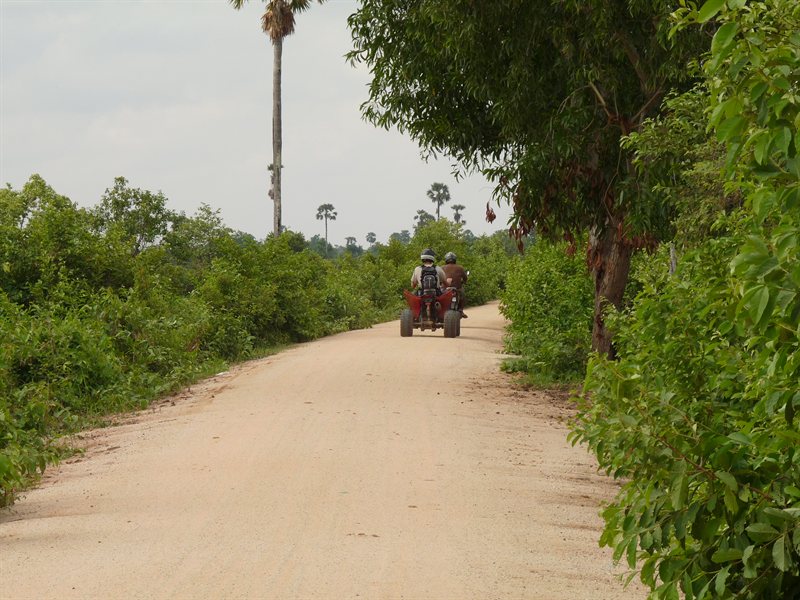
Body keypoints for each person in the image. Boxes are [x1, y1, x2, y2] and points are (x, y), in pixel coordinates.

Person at [441, 251, 468, 318]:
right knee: (463, 296)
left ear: (446, 260)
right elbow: (465, 278)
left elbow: (438, 278)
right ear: (455, 260)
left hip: (444, 288)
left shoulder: (442, 268)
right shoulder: (460, 268)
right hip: (457, 288)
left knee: (439, 296)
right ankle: (461, 310)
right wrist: (464, 282)